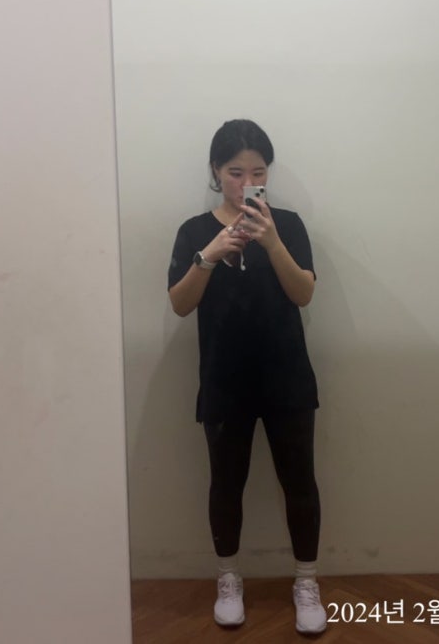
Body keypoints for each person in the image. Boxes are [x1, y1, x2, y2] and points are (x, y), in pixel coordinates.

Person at [167, 119, 326, 634]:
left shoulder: (289, 225)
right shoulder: (194, 231)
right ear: (216, 171)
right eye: (236, 172)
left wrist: (271, 241)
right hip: (224, 380)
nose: (247, 183)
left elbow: (303, 294)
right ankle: (228, 579)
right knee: (225, 484)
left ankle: (306, 582)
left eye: (258, 172)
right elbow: (180, 305)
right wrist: (208, 256)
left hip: (287, 378)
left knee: (299, 482)